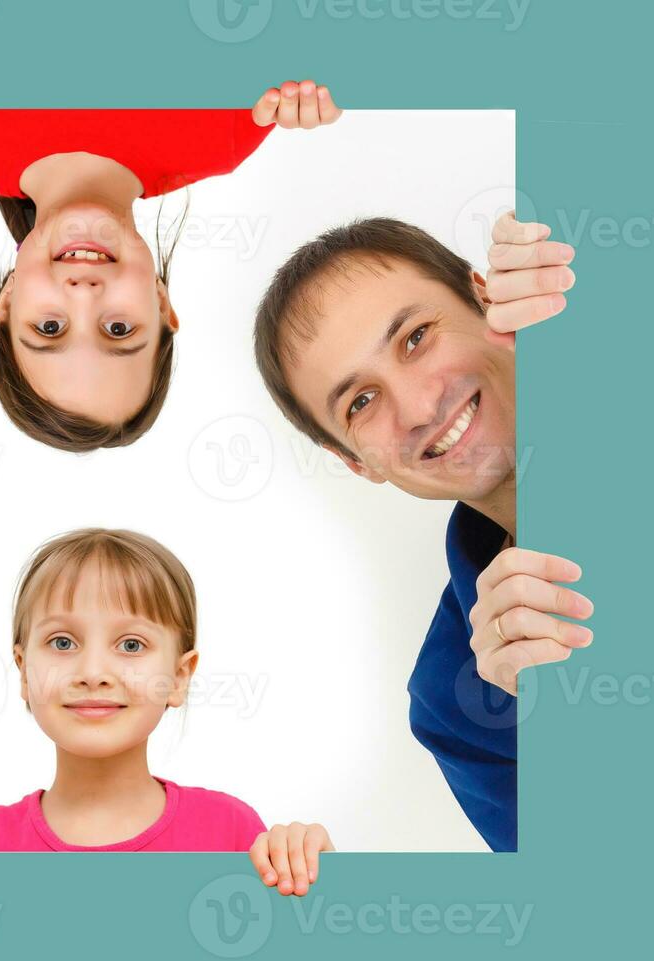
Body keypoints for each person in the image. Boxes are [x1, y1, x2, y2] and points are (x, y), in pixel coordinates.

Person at [251, 213, 590, 852]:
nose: (418, 408)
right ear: (356, 461)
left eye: (415, 338)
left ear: (489, 297)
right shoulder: (454, 702)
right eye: (360, 403)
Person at [0, 77, 343, 451]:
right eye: (118, 330)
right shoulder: (226, 133)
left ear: (6, 304)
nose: (86, 292)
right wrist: (330, 74)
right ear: (159, 302)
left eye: (50, 327)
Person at [0, 529, 333, 896]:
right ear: (24, 671)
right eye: (62, 643)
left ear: (180, 676)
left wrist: (318, 876)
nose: (93, 672)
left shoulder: (232, 833)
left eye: (131, 645)